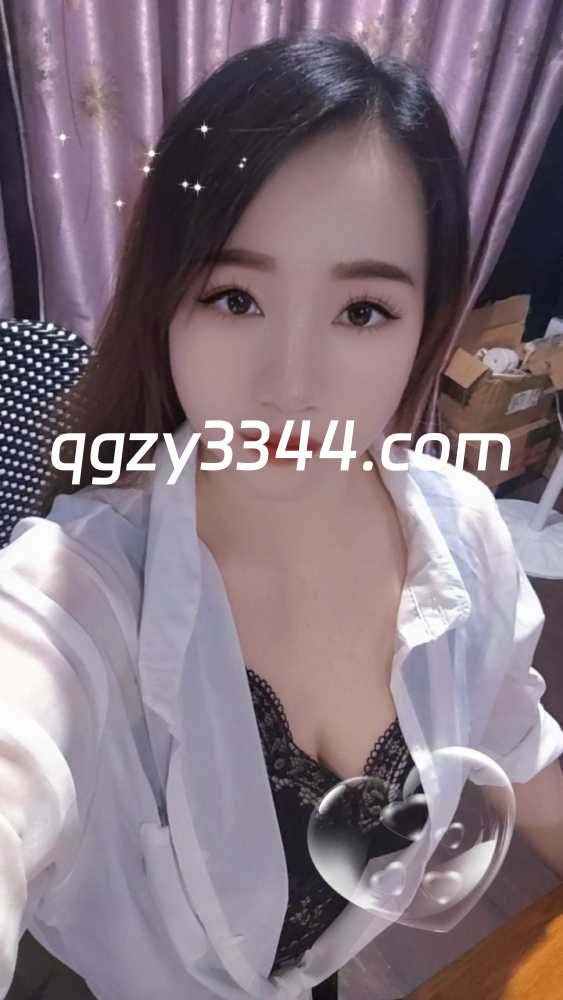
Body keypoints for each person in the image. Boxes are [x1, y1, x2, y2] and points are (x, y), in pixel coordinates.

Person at [1, 29, 563, 1000]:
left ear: (427, 325)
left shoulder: (463, 534)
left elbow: (520, 741)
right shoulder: (82, 590)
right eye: (233, 297)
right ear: (164, 302)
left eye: (361, 311)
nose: (289, 386)